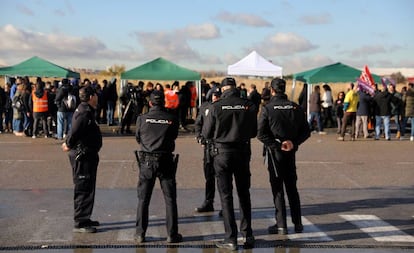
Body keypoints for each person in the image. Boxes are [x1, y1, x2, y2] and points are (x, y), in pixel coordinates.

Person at [202, 77, 257, 250]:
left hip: (222, 154)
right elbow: (254, 132)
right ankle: (247, 235)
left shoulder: (215, 107)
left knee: (226, 197)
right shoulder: (249, 106)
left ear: (223, 89)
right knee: (244, 194)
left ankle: (231, 238)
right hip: (242, 152)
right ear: (234, 88)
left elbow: (206, 133)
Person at [257, 78, 310, 235]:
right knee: (292, 188)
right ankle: (298, 223)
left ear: (272, 90)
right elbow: (306, 131)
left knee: (278, 189)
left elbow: (260, 133)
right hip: (290, 152)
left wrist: (277, 145)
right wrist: (293, 143)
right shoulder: (296, 107)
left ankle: (281, 225)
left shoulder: (267, 108)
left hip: (276, 154)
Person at [134, 90, 182, 244]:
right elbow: (174, 136)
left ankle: (140, 234)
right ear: (164, 102)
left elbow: (138, 138)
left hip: (147, 161)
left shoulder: (142, 118)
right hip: (166, 160)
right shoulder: (172, 118)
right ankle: (172, 234)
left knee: (143, 199)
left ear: (150, 103)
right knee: (170, 199)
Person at [61, 85, 102, 233]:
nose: (97, 97)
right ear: (91, 97)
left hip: (88, 155)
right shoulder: (84, 112)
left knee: (88, 186)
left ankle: (85, 217)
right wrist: (68, 143)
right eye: (95, 95)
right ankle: (80, 222)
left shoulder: (87, 110)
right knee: (83, 187)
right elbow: (75, 130)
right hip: (82, 156)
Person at [194, 87, 221, 213]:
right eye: (214, 95)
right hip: (208, 146)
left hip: (221, 145)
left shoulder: (223, 107)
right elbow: (198, 123)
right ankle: (208, 202)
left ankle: (225, 205)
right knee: (209, 176)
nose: (216, 97)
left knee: (223, 177)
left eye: (218, 95)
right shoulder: (205, 107)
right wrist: (199, 137)